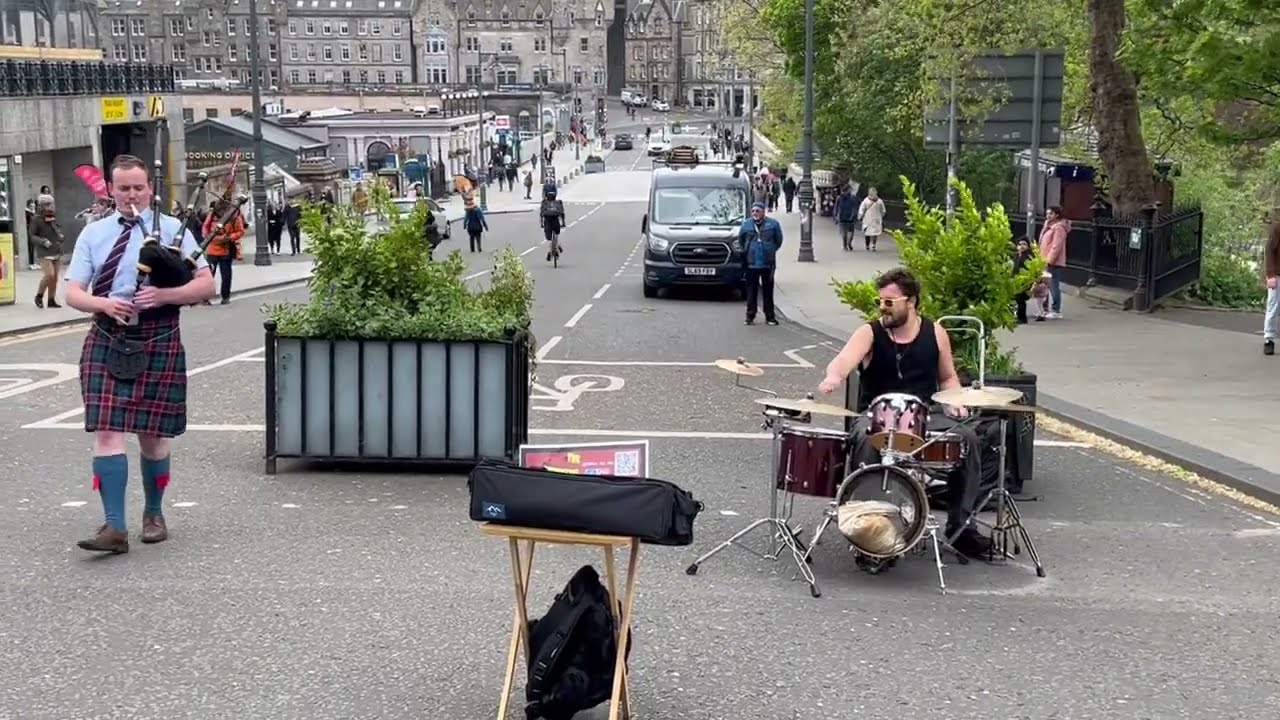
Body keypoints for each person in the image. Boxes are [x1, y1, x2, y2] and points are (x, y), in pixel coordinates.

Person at [62, 153, 215, 554]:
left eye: (138, 188)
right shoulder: (94, 233)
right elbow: (73, 292)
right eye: (123, 188)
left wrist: (164, 295)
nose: (132, 195)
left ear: (150, 188)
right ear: (111, 191)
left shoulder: (173, 229)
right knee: (107, 430)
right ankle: (114, 527)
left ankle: (154, 514)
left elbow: (206, 285)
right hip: (107, 334)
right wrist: (103, 303)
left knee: (152, 436)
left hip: (158, 333)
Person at [818, 267, 994, 557]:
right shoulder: (869, 332)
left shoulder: (935, 333)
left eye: (889, 302)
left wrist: (954, 400)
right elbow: (843, 361)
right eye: (880, 301)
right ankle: (868, 532)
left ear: (911, 301)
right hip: (877, 414)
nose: (882, 308)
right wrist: (834, 376)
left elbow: (948, 377)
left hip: (924, 414)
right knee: (864, 440)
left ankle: (961, 529)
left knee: (968, 440)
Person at [739, 201, 782, 326]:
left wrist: (770, 250)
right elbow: (741, 240)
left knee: (768, 291)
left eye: (757, 211)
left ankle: (770, 317)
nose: (755, 213)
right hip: (751, 263)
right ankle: (750, 316)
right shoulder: (746, 224)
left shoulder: (773, 224)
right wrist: (747, 250)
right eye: (753, 211)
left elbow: (778, 240)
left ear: (763, 212)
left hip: (767, 263)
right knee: (751, 291)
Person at [539, 185, 566, 261]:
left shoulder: (544, 203)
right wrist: (563, 223)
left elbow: (541, 214)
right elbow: (562, 213)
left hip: (547, 222)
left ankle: (550, 252)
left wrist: (541, 223)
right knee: (556, 234)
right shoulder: (558, 203)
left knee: (549, 238)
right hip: (555, 221)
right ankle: (558, 246)